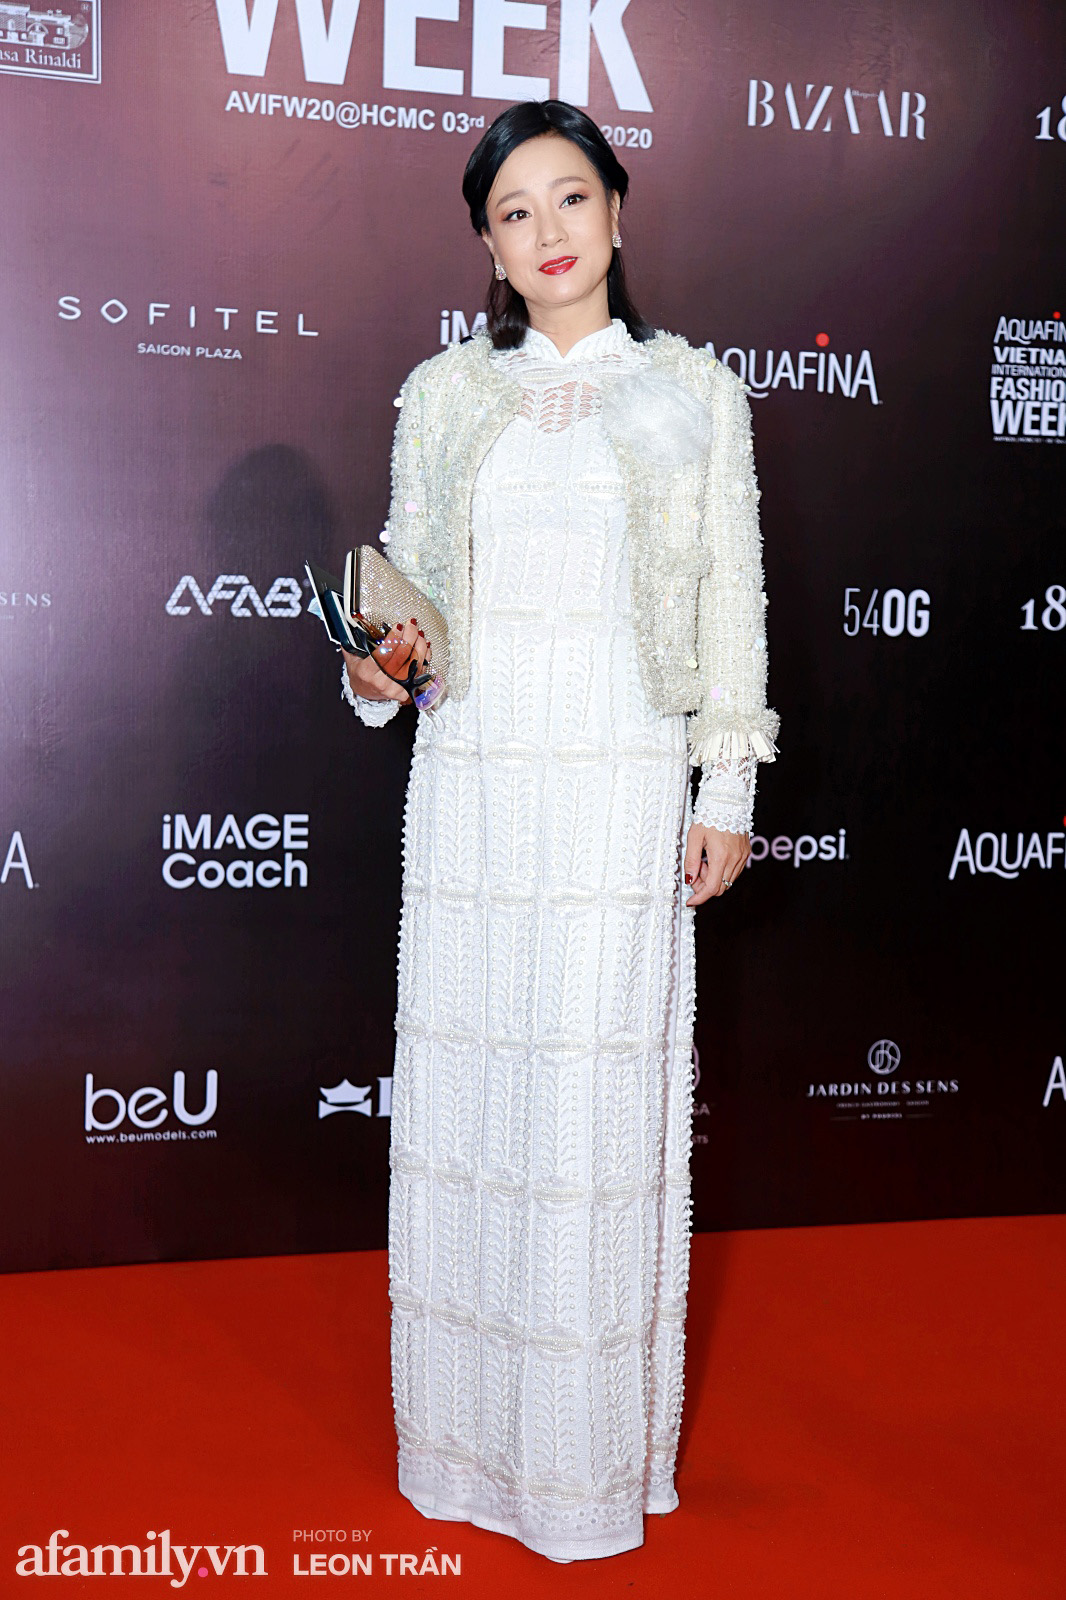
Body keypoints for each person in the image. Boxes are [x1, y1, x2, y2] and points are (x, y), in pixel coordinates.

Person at [339, 99, 779, 1563]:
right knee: (476, 1106)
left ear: (617, 210)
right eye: (513, 211)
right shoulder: (442, 393)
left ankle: (585, 1471)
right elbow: (413, 600)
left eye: (569, 196)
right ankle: (464, 1452)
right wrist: (381, 668)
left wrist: (727, 789)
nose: (547, 231)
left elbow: (731, 599)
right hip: (474, 783)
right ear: (485, 242)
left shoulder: (694, 392)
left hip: (614, 782)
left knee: (592, 1120)